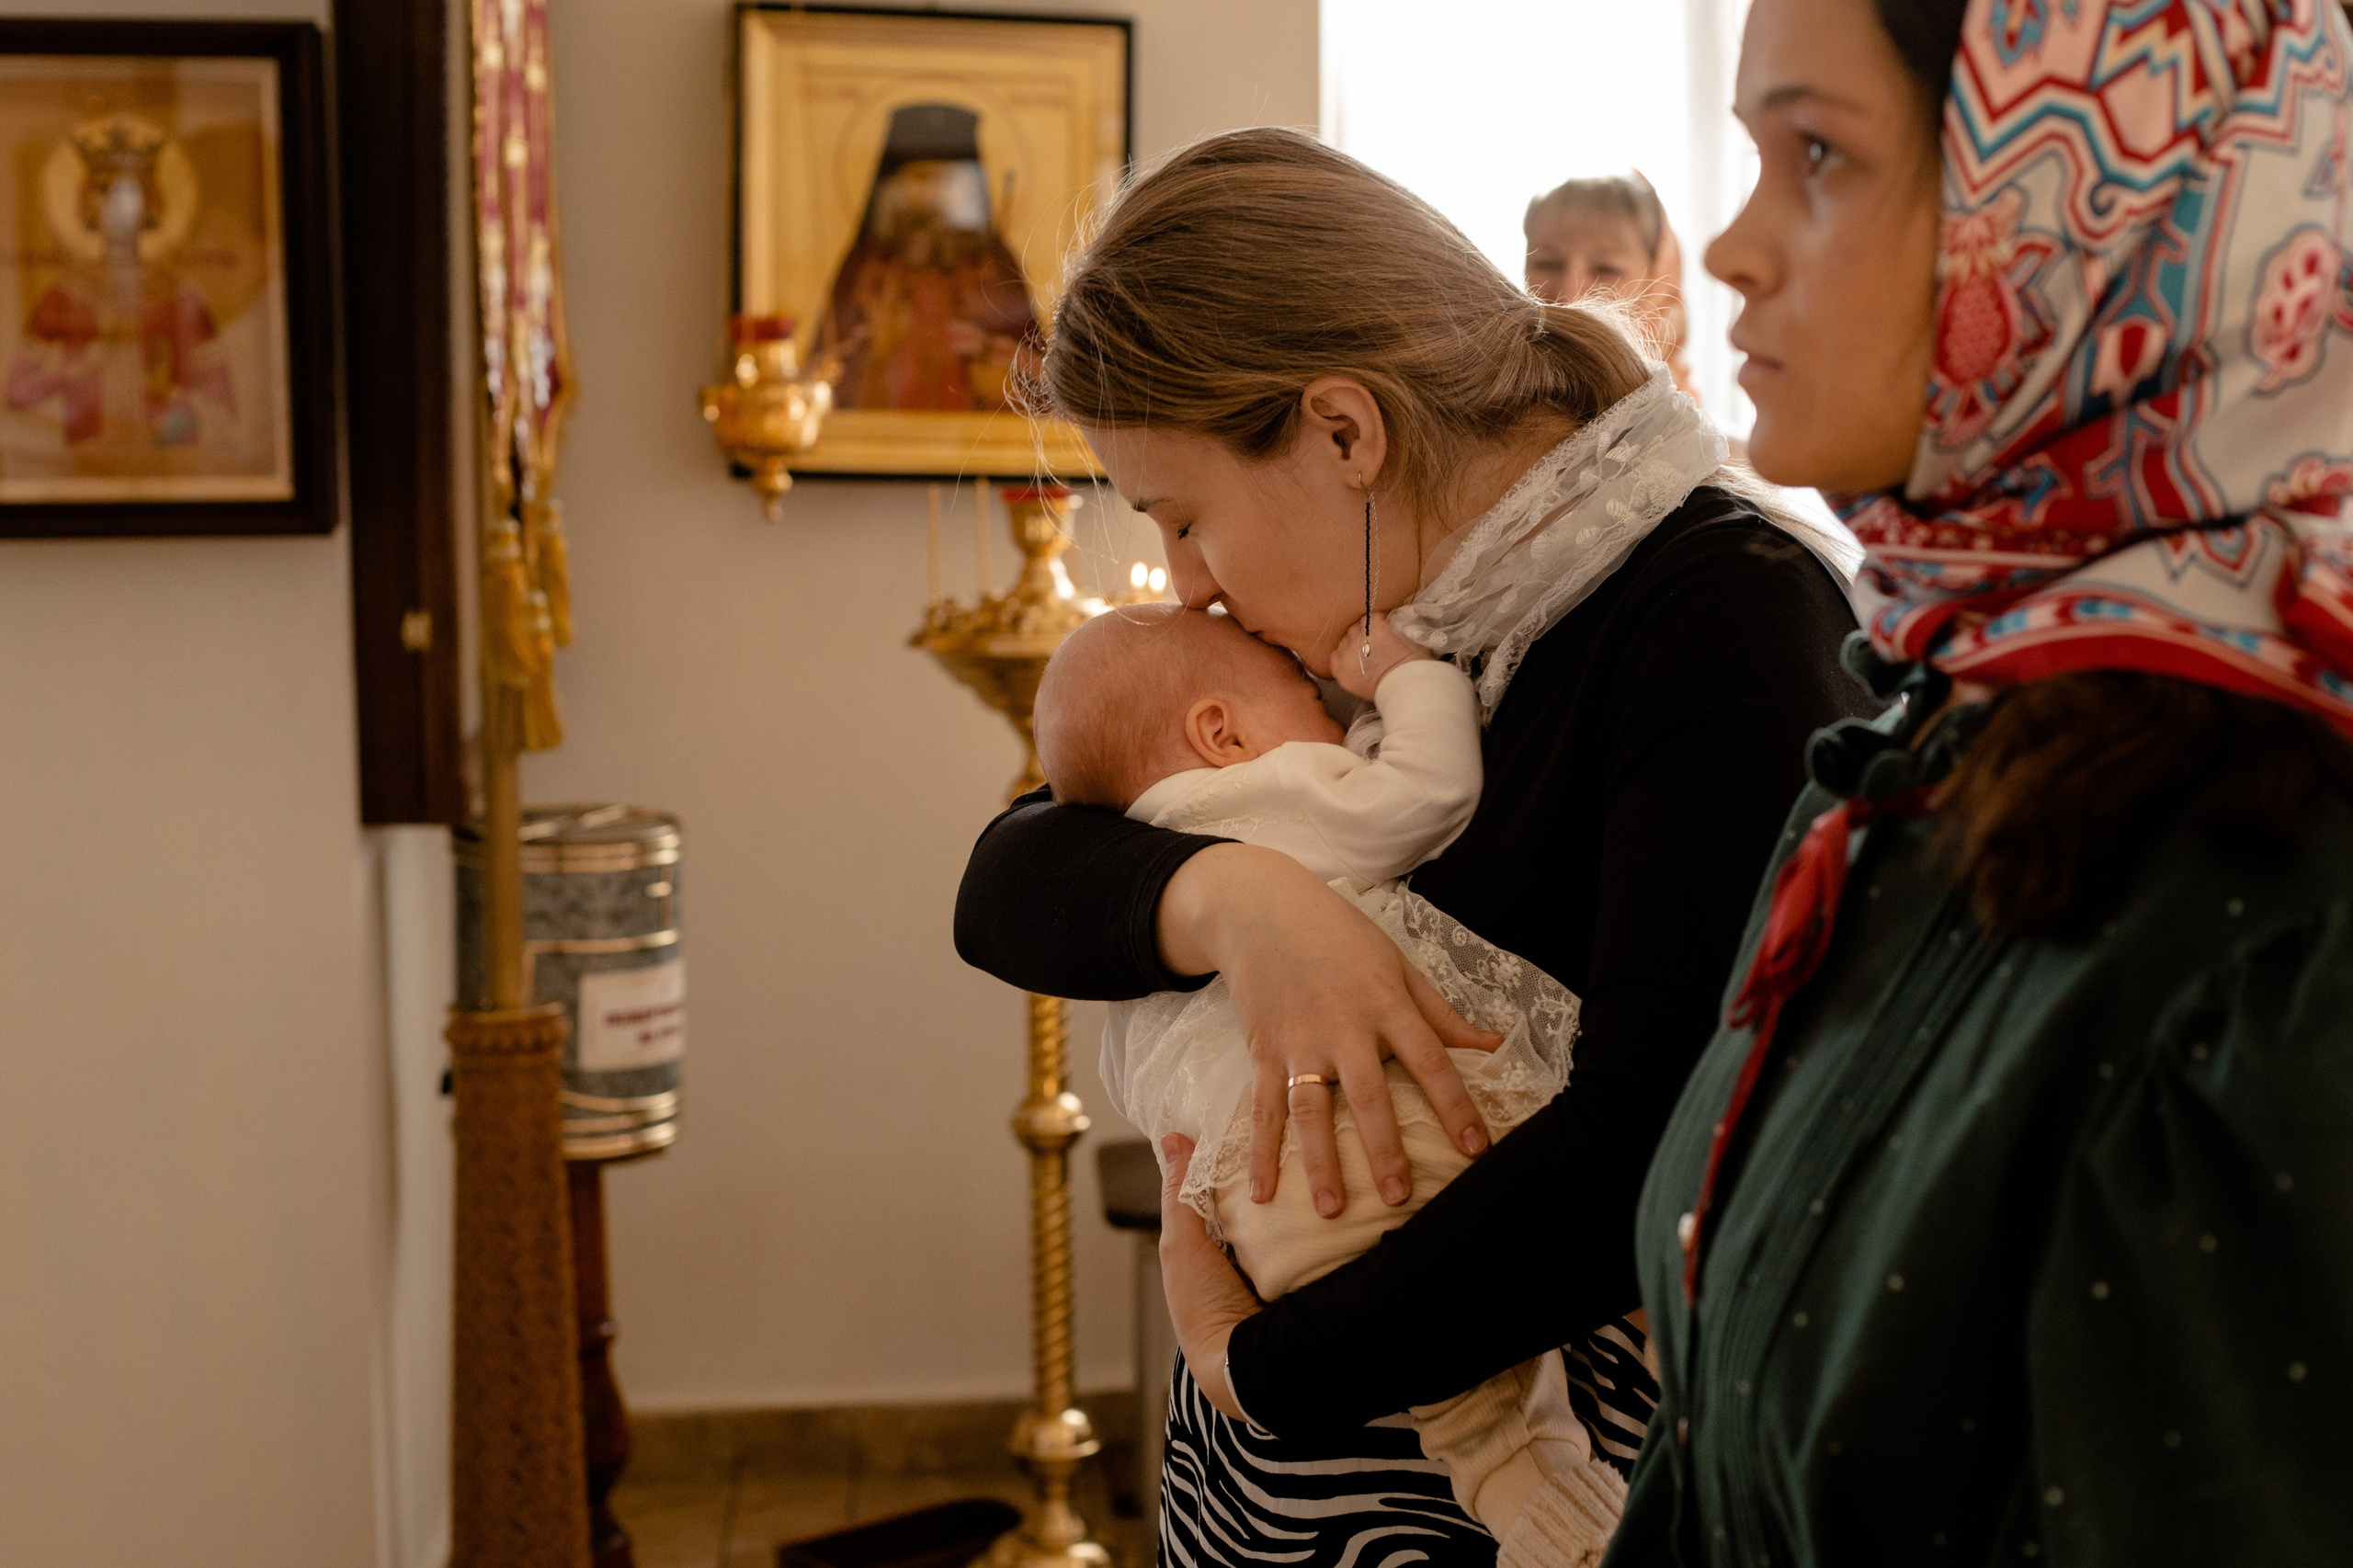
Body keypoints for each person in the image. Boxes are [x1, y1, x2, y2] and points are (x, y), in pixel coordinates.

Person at [1154, 1, 2353, 1562]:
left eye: (1818, 156)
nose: (1726, 249)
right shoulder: (1932, 748)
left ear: (2083, 214)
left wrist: (1270, 1365)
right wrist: (1225, 890)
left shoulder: (2271, 921)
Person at [954, 126, 1870, 1565]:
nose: (1186, 586)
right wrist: (1235, 899)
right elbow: (1010, 876)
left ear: (1342, 432)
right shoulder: (1387, 618)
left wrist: (1268, 1372)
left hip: (1557, 1479)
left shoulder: (1724, 619)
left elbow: (1657, 1143)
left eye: (1185, 519)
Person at [1036, 601, 1625, 1554]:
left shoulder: (1144, 854)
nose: (1332, 716)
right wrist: (1406, 677)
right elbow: (1423, 792)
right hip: (1388, 1141)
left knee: (1470, 1416)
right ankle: (1574, 1530)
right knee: (1504, 1407)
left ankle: (1534, 1498)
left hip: (1273, 1209)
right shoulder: (1272, 790)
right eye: (1299, 693)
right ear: (1219, 732)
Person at [1523, 175, 1694, 399]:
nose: (1568, 296)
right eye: (1548, 264)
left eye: (1605, 270)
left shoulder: (1682, 426)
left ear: (1658, 283)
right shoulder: (1486, 392)